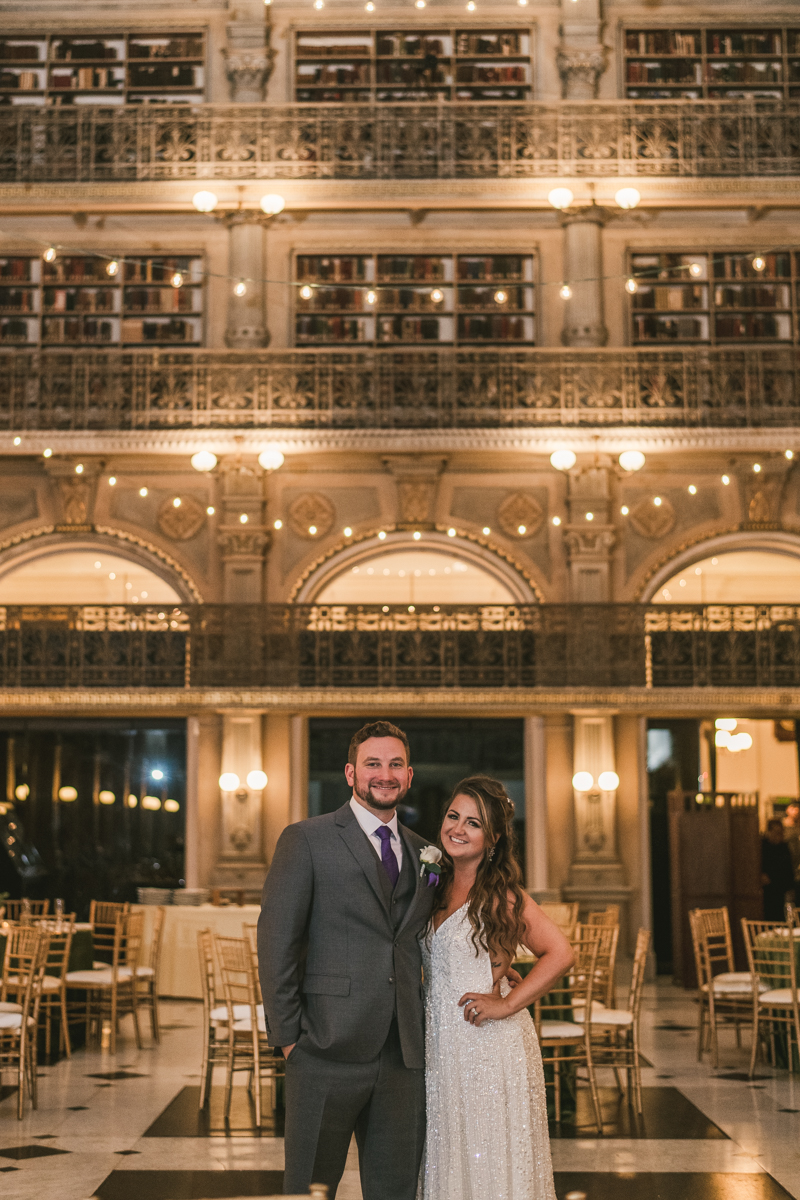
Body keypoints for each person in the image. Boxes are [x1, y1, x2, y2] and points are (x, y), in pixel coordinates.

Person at [257, 720, 436, 1200]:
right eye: (373, 764)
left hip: (403, 1054)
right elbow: (277, 941)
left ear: (410, 775)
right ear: (350, 773)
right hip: (324, 1048)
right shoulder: (307, 839)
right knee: (309, 1189)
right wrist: (290, 1039)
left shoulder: (425, 853)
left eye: (395, 764)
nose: (385, 774)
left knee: (396, 1190)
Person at [418, 775, 574, 1200]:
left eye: (474, 823)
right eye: (454, 816)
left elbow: (560, 953)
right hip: (441, 1046)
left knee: (491, 1156)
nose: (458, 829)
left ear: (494, 838)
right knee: (451, 1152)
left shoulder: (502, 894)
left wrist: (506, 1005)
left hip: (488, 1044)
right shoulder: (433, 887)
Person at [761, 817, 795, 921]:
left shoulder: (784, 847)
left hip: (781, 891)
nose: (779, 836)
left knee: (782, 919)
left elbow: (789, 869)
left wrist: (790, 889)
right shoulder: (762, 846)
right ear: (769, 832)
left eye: (781, 832)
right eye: (776, 832)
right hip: (766, 892)